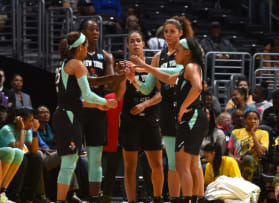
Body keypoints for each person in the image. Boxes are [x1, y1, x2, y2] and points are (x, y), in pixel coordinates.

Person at [129, 37, 209, 202]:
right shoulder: (183, 70)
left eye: (178, 50)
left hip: (191, 117)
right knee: (192, 164)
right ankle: (196, 198)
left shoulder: (192, 66)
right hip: (193, 118)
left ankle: (188, 199)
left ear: (188, 52)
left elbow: (198, 87)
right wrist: (141, 70)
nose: (174, 54)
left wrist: (182, 107)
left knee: (183, 165)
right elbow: (165, 77)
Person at [52, 31, 117, 202]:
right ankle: (60, 201)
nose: (87, 51)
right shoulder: (77, 64)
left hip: (64, 114)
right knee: (68, 164)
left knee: (69, 163)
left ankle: (61, 200)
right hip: (69, 117)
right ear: (80, 47)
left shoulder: (63, 64)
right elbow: (87, 94)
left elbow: (76, 99)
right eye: (86, 47)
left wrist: (97, 105)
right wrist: (105, 101)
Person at [118, 31, 164, 203]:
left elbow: (161, 94)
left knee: (157, 165)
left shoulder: (152, 66)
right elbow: (118, 94)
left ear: (143, 44)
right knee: (130, 167)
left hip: (150, 120)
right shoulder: (123, 67)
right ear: (128, 46)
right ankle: (131, 201)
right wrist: (121, 77)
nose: (136, 44)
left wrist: (145, 104)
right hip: (130, 122)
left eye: (138, 40)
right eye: (132, 41)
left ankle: (158, 199)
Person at [80, 19, 115, 201]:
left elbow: (109, 84)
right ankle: (70, 194)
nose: (95, 32)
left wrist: (117, 76)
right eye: (90, 29)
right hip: (78, 108)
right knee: (71, 156)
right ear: (82, 32)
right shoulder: (75, 56)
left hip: (97, 109)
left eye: (97, 29)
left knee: (95, 157)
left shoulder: (106, 56)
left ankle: (94, 196)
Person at [0, 108, 45, 202]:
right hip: (2, 159)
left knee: (37, 157)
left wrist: (34, 131)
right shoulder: (7, 129)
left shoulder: (27, 130)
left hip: (15, 158)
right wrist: (22, 128)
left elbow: (34, 150)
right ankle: (14, 194)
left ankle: (29, 196)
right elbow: (18, 149)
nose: (31, 123)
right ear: (20, 120)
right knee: (24, 158)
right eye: (30, 121)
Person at [228, 111, 269, 182]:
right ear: (245, 120)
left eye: (255, 119)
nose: (253, 121)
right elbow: (230, 152)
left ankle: (245, 184)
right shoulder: (235, 132)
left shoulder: (263, 133)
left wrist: (253, 133)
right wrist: (235, 160)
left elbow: (261, 152)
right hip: (236, 162)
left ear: (259, 121)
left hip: (254, 164)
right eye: (250, 119)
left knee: (247, 158)